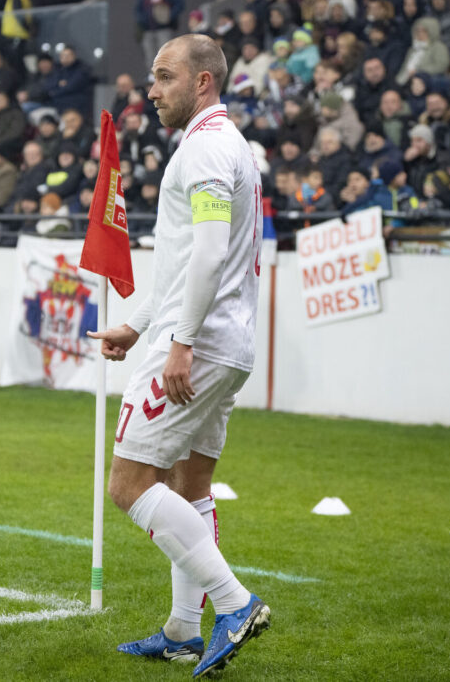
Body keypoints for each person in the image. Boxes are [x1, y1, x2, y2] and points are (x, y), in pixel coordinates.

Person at [87, 34, 270, 678]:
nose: (152, 88)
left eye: (165, 77)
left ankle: (235, 603)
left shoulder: (211, 149)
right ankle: (182, 630)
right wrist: (139, 327)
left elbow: (211, 253)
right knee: (192, 483)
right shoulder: (218, 146)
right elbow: (181, 261)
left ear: (203, 83)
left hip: (202, 342)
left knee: (131, 484)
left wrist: (181, 342)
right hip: (221, 339)